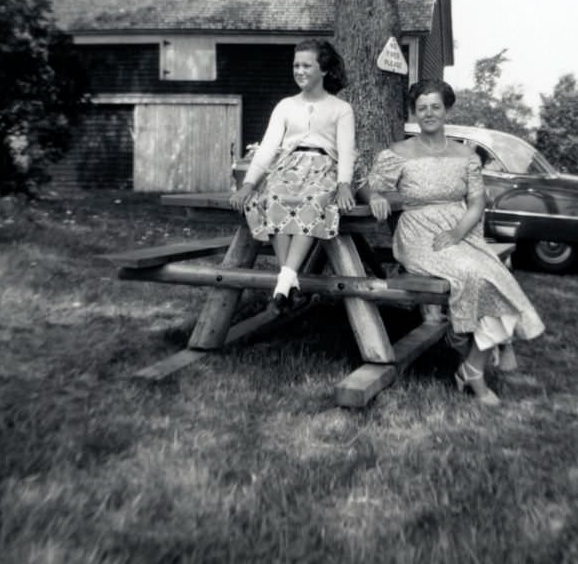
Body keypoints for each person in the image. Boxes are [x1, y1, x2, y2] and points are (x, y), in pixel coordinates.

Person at [363, 78, 545, 405]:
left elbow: (476, 204)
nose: (429, 113)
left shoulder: (466, 155)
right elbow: (370, 185)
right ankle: (468, 349)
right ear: (414, 114)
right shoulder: (399, 153)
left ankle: (472, 365)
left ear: (446, 110)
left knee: (498, 278)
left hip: (461, 231)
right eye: (422, 108)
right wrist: (376, 195)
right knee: (475, 277)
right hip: (419, 234)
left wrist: (457, 233)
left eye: (435, 106)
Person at [229, 39, 356, 312]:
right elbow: (267, 148)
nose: (299, 71)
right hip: (287, 167)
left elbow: (346, 151)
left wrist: (344, 184)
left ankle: (283, 283)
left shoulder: (340, 109)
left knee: (312, 201)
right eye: (296, 65)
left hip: (323, 167)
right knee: (272, 198)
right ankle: (289, 284)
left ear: (323, 70)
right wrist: (249, 184)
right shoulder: (285, 106)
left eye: (306, 65)